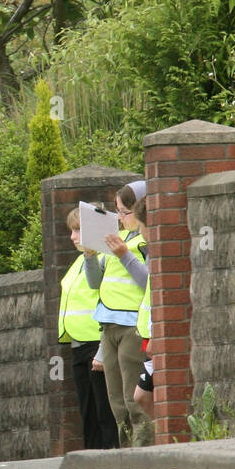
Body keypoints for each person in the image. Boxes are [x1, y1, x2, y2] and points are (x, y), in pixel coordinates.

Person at [84, 180, 153, 447]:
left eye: (124, 212)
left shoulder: (145, 241)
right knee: (117, 403)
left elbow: (151, 281)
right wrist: (90, 256)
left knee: (131, 398)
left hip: (132, 327)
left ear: (142, 209)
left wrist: (125, 255)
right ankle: (127, 450)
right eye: (118, 212)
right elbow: (94, 282)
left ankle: (144, 448)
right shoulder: (119, 238)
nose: (120, 218)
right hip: (109, 326)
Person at [59, 207, 119, 449]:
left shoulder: (106, 259)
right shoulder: (79, 261)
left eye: (78, 230)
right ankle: (93, 460)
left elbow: (111, 301)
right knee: (88, 411)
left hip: (97, 343)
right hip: (78, 345)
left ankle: (111, 457)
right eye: (72, 231)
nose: (73, 237)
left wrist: (103, 350)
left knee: (105, 410)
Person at [131, 198, 155, 421]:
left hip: (156, 340)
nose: (139, 231)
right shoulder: (153, 254)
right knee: (141, 396)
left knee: (142, 396)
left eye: (141, 226)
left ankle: (172, 436)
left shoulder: (160, 256)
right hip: (149, 339)